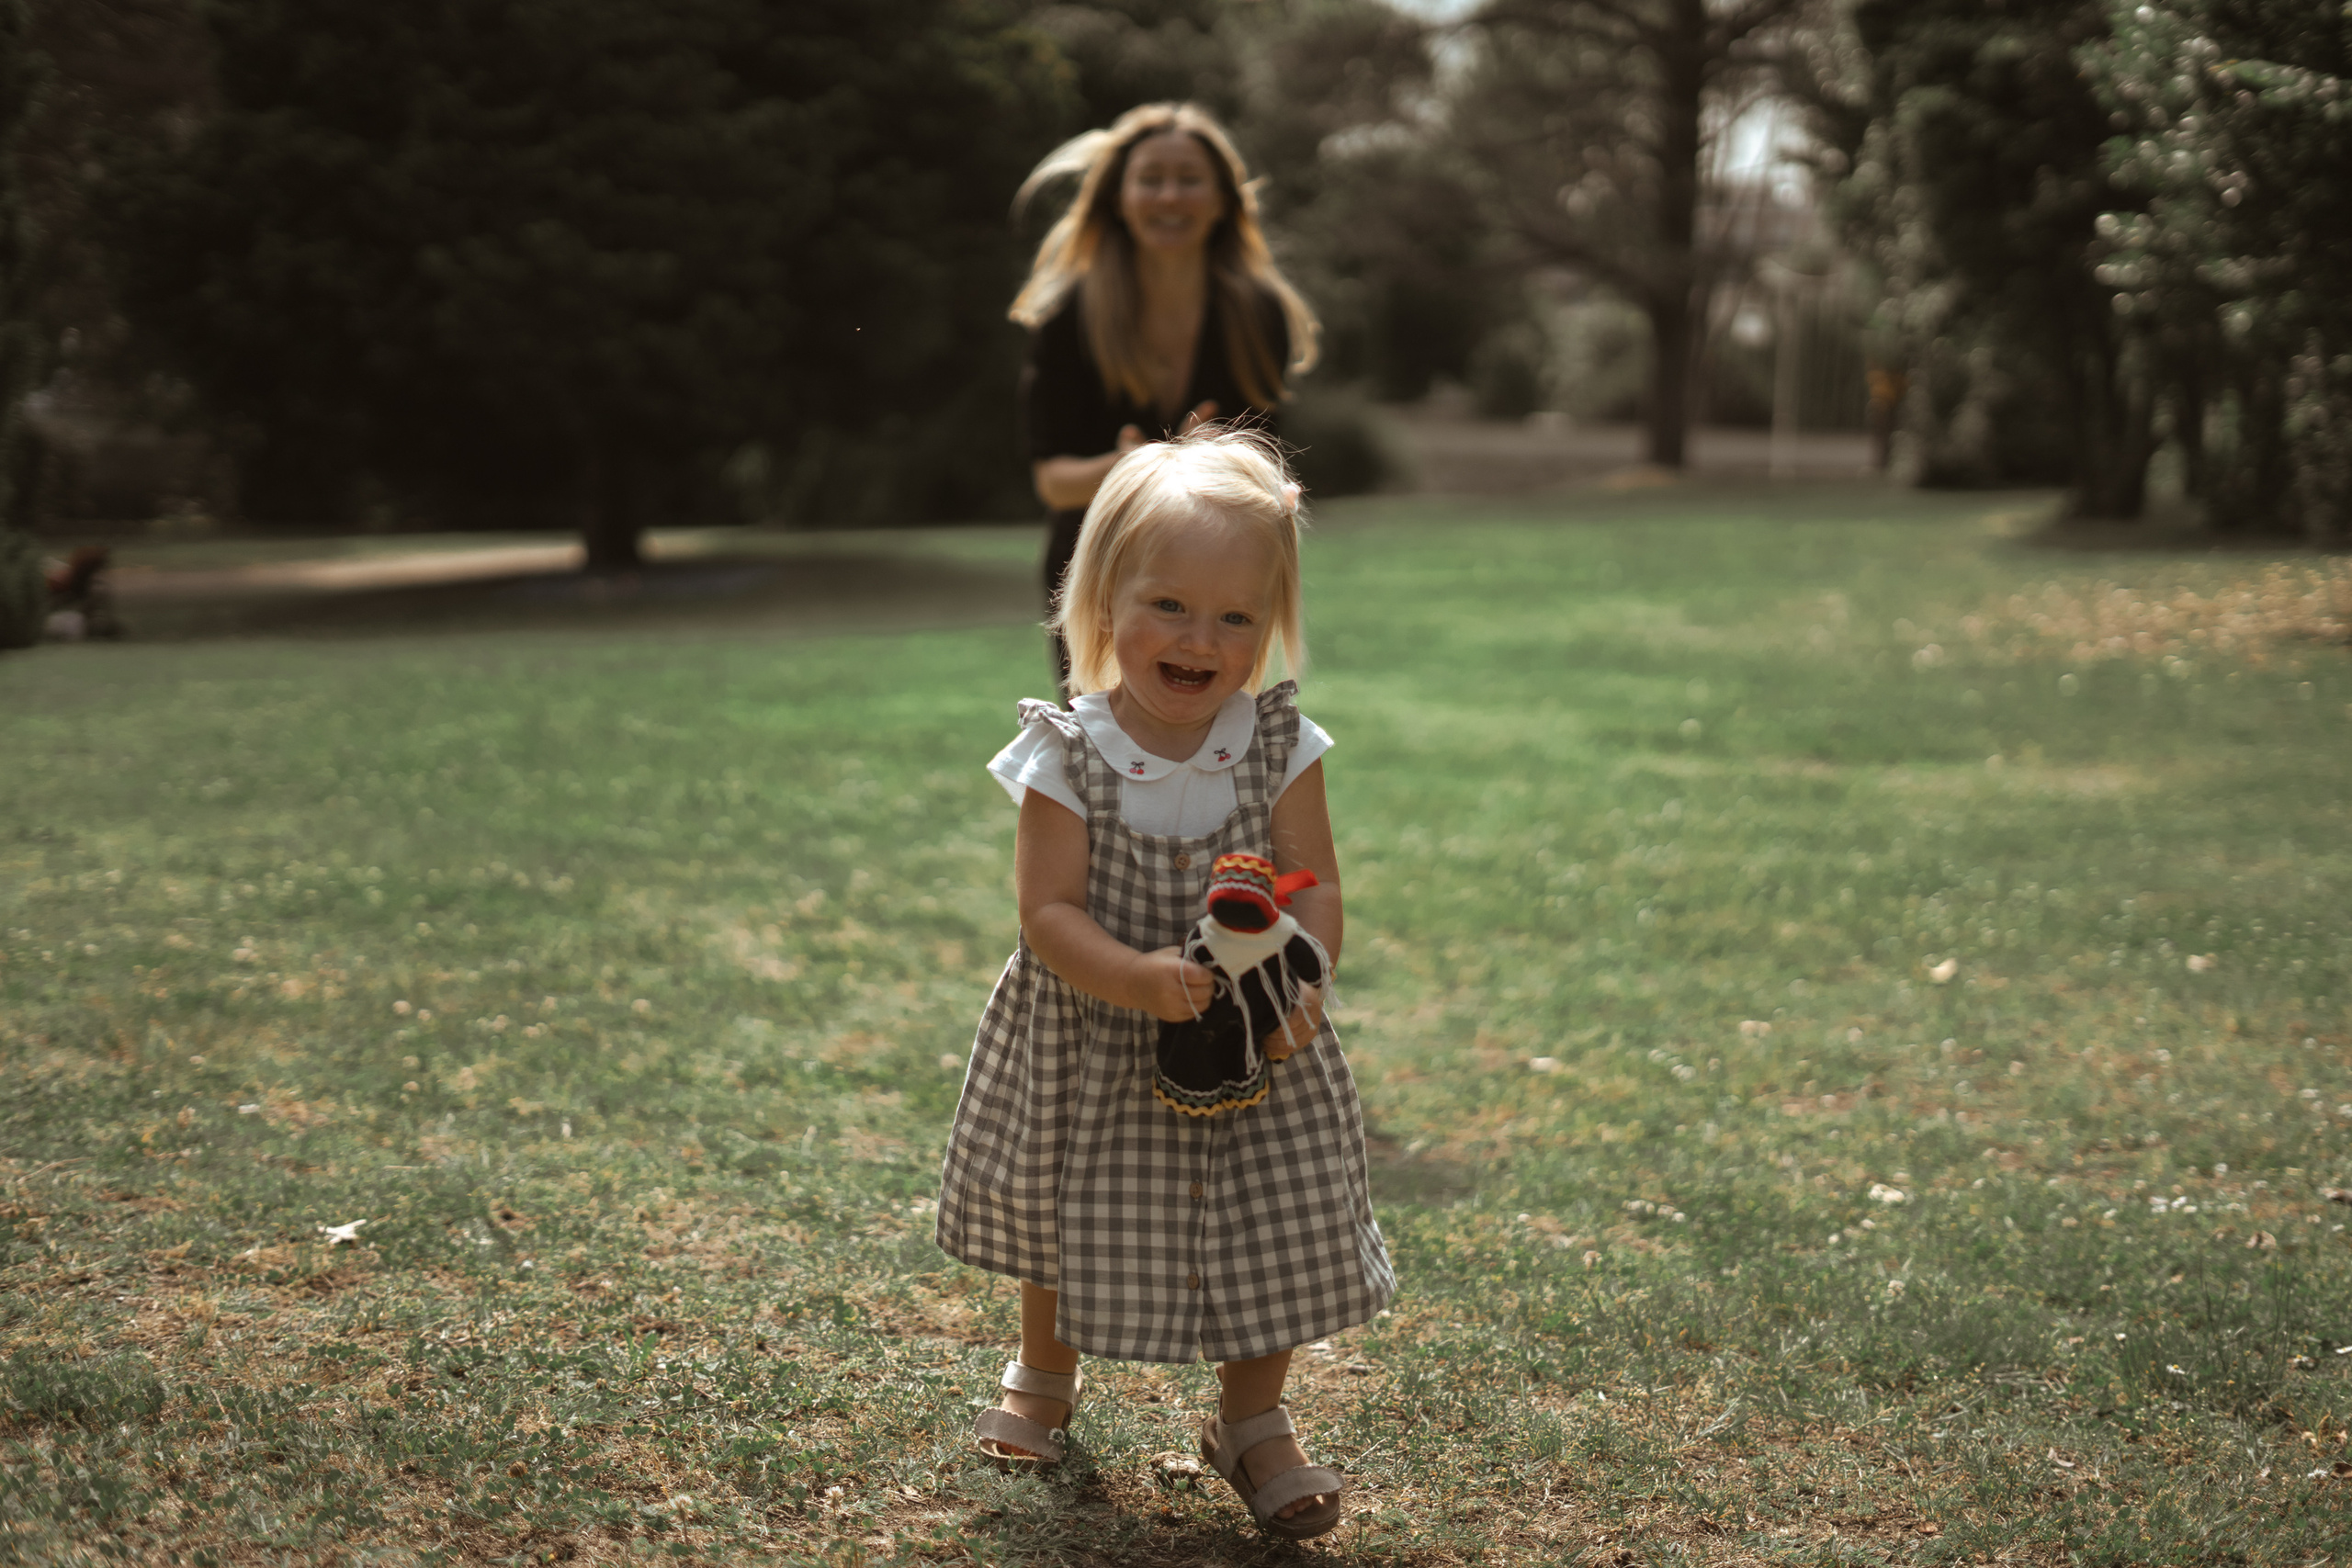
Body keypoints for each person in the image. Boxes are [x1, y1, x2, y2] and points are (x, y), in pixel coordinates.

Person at [934, 429, 1391, 1542]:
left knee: (1271, 1221)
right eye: (1169, 607)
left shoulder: (1279, 743)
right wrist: (1135, 977)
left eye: (1236, 617)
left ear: (1270, 624)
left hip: (1250, 1034)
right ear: (1101, 604)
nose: (1201, 638)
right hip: (1092, 1030)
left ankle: (1254, 1420)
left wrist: (1304, 984)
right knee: (1064, 1208)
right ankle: (1042, 1380)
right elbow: (1046, 912)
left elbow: (1315, 879)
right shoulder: (1068, 753)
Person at [1011, 102, 1319, 695]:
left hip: (1219, 583)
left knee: (1209, 757)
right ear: (1119, 198)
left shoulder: (1256, 314)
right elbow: (1053, 482)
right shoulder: (1068, 316)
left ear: (1224, 199)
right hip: (1101, 571)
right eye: (1151, 179)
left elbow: (1268, 465)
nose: (1170, 197)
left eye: (1189, 179)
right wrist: (1138, 466)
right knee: (1100, 760)